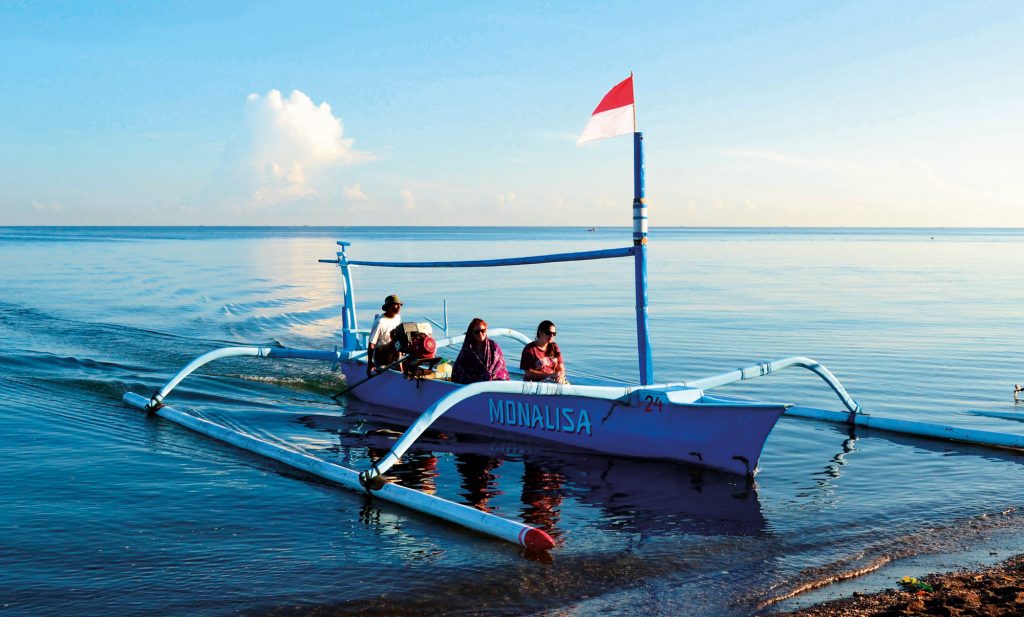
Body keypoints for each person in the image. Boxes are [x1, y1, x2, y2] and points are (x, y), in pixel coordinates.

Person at [451, 318, 510, 384]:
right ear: (472, 333)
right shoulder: (467, 350)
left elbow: (500, 367)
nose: (480, 334)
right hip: (473, 385)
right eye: (476, 332)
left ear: (486, 330)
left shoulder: (494, 347)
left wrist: (489, 377)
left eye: (483, 330)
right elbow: (459, 370)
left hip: (494, 384)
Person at [520, 320, 568, 384]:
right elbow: (528, 373)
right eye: (548, 333)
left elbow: (561, 368)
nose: (551, 336)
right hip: (535, 383)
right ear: (540, 332)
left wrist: (560, 376)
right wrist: (549, 376)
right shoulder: (529, 349)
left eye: (554, 334)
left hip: (553, 380)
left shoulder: (555, 347)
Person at [366, 294, 403, 377]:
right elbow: (371, 344)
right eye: (396, 305)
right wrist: (369, 364)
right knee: (396, 343)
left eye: (400, 305)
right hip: (380, 354)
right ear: (388, 307)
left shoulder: (398, 317)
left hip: (393, 351)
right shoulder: (380, 322)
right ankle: (400, 369)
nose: (399, 307)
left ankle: (403, 364)